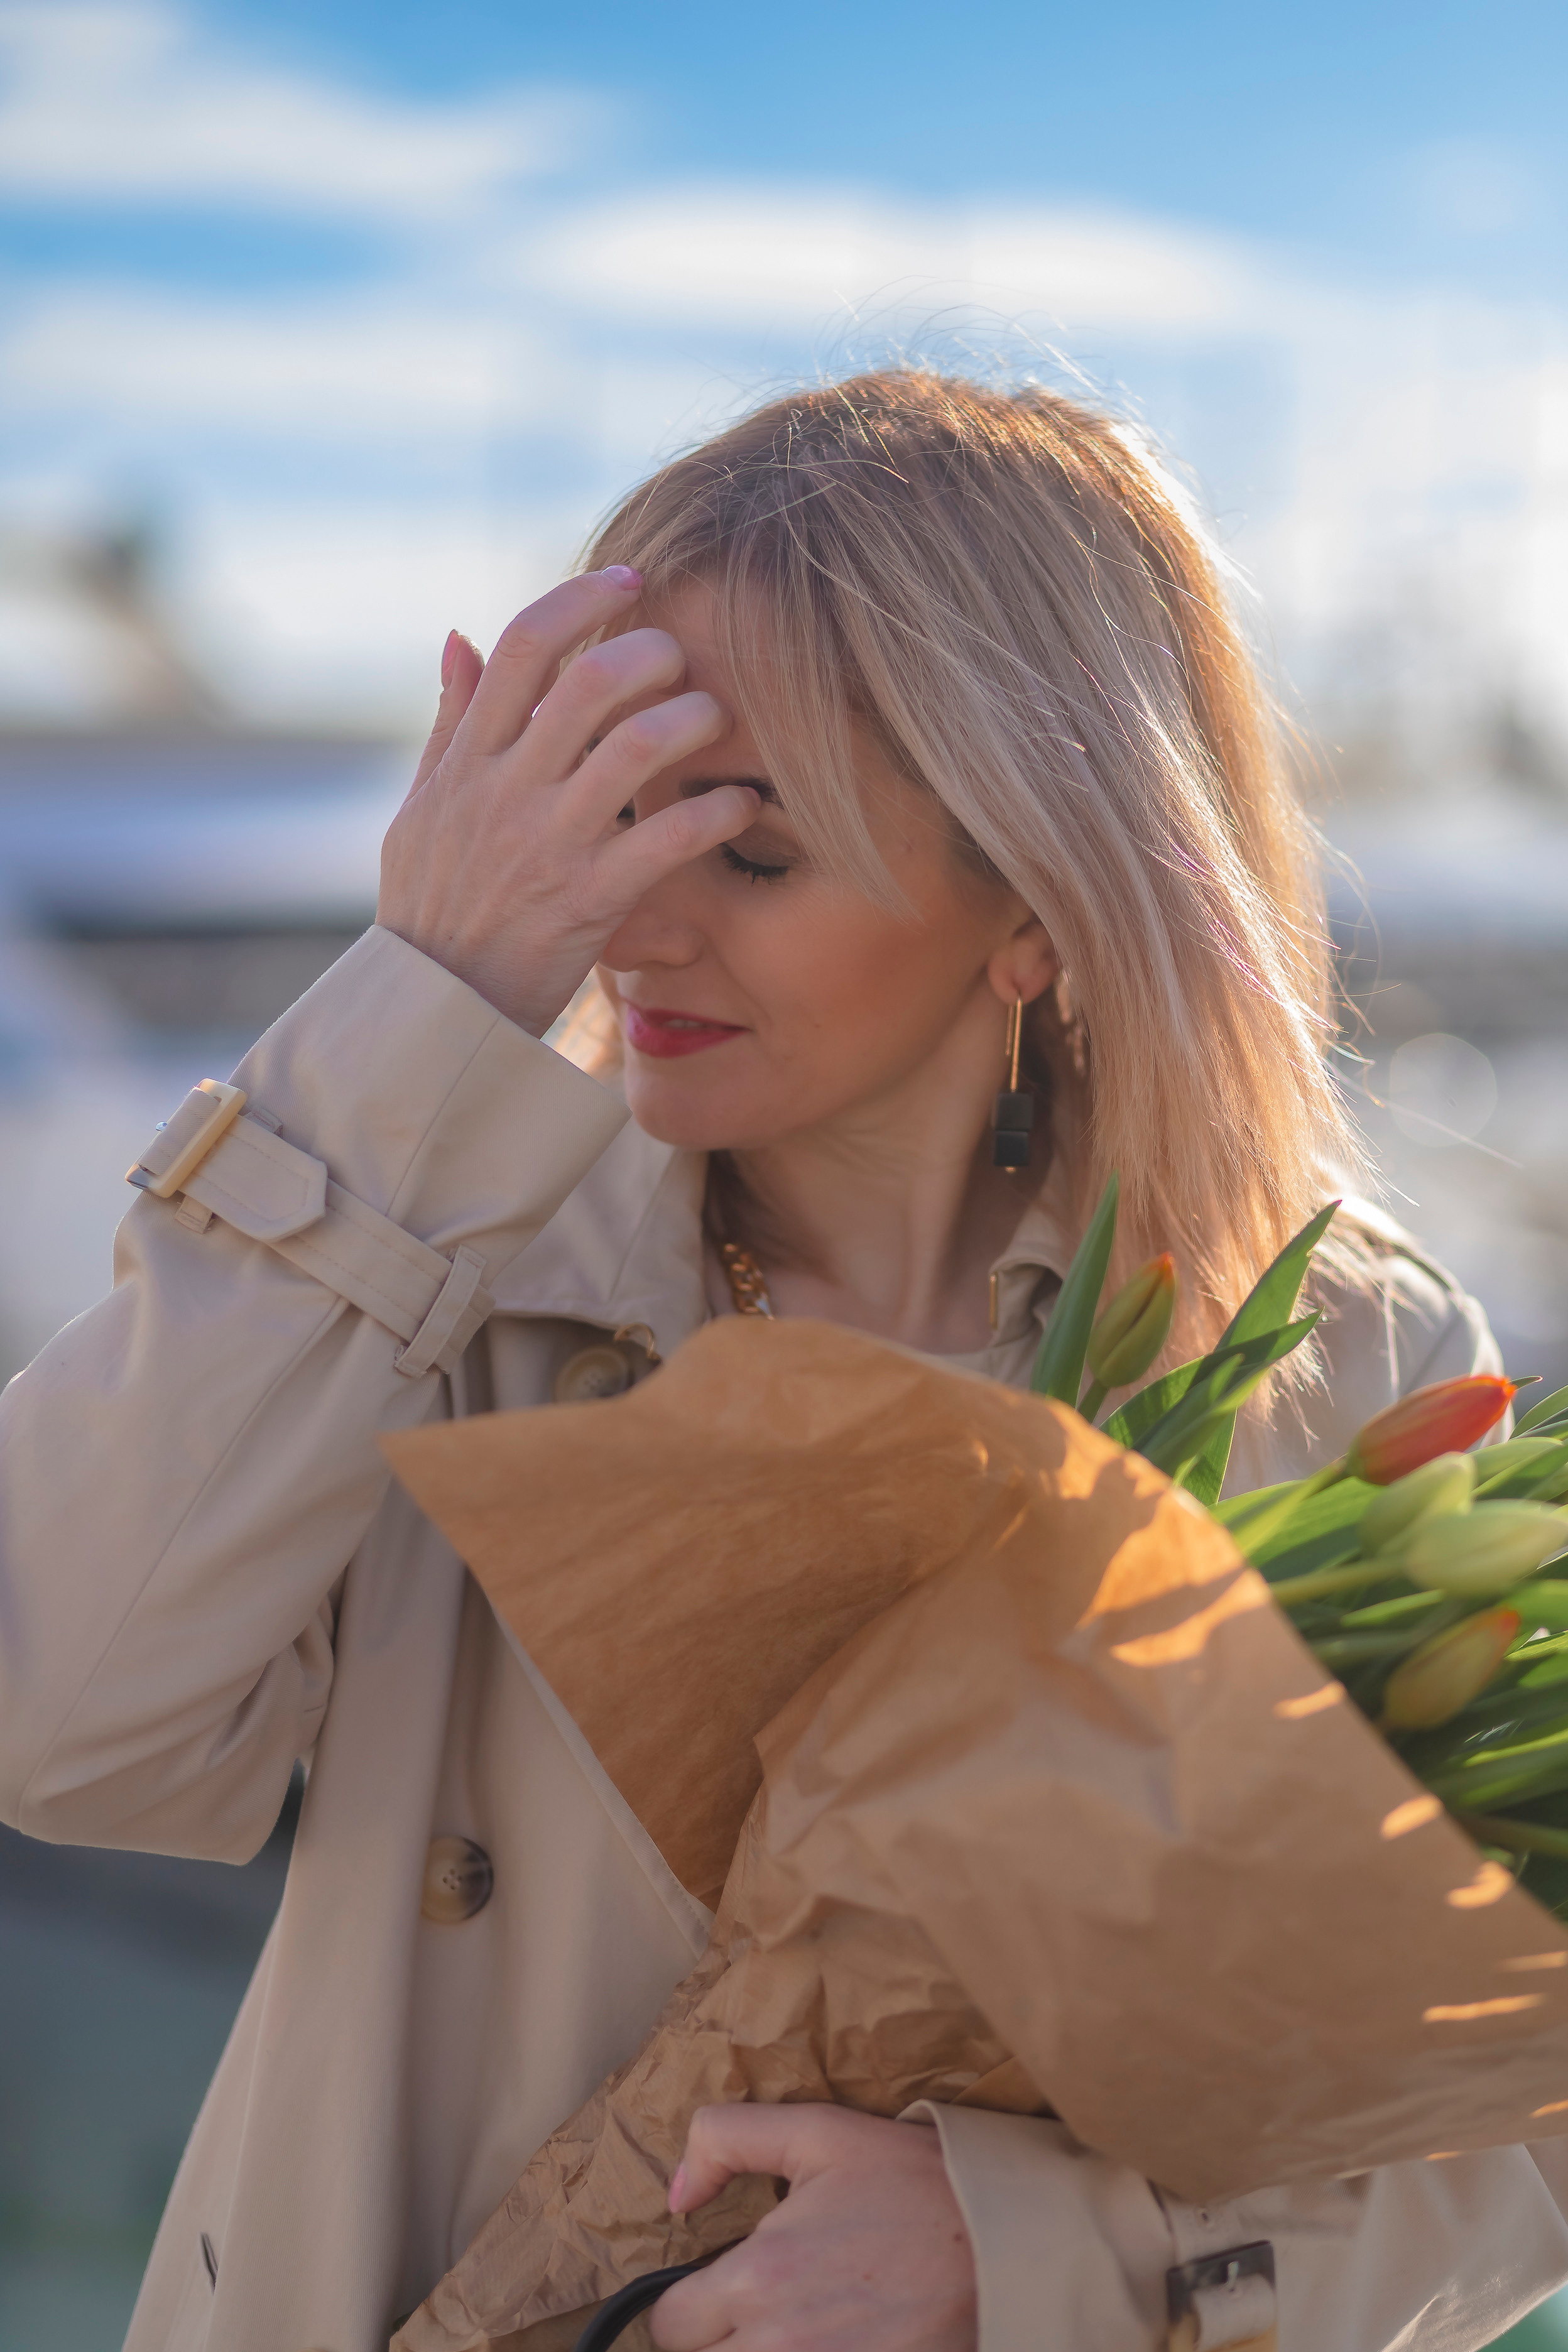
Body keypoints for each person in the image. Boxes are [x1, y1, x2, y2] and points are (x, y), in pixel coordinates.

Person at [3, 369, 1566, 2352]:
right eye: (613, 817)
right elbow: (58, 1718)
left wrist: (1034, 2261)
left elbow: (1510, 2132)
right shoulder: (429, 1273)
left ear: (1037, 908)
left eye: (749, 856)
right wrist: (427, 1004)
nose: (636, 926)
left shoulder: (1346, 1365)